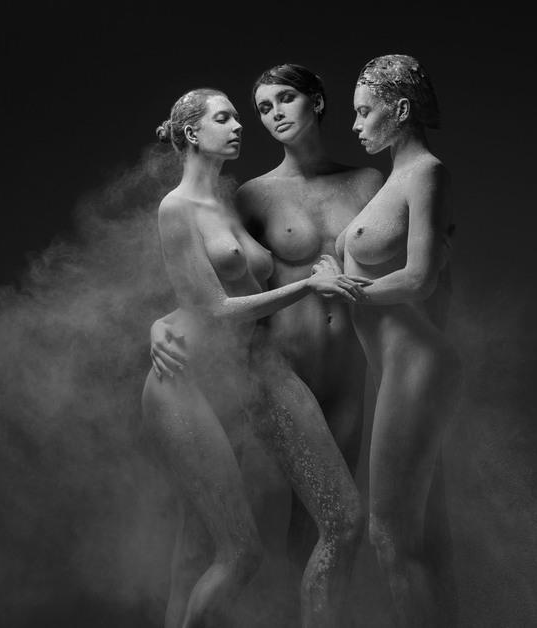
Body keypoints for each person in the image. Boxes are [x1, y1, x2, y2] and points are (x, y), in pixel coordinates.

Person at [140, 87, 367, 628]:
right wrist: (308, 286)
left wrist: (163, 319)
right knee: (235, 553)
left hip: (256, 368)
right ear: (192, 133)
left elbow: (206, 292)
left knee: (344, 520)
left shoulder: (229, 201)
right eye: (225, 118)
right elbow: (213, 309)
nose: (240, 125)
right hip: (188, 381)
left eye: (239, 117)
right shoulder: (176, 208)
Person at [334, 53, 462, 628]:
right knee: (418, 539)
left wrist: (347, 290)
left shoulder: (427, 173)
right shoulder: (394, 180)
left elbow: (419, 279)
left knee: (389, 535)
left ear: (401, 110)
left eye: (365, 111)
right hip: (398, 365)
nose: (355, 124)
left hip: (416, 362)